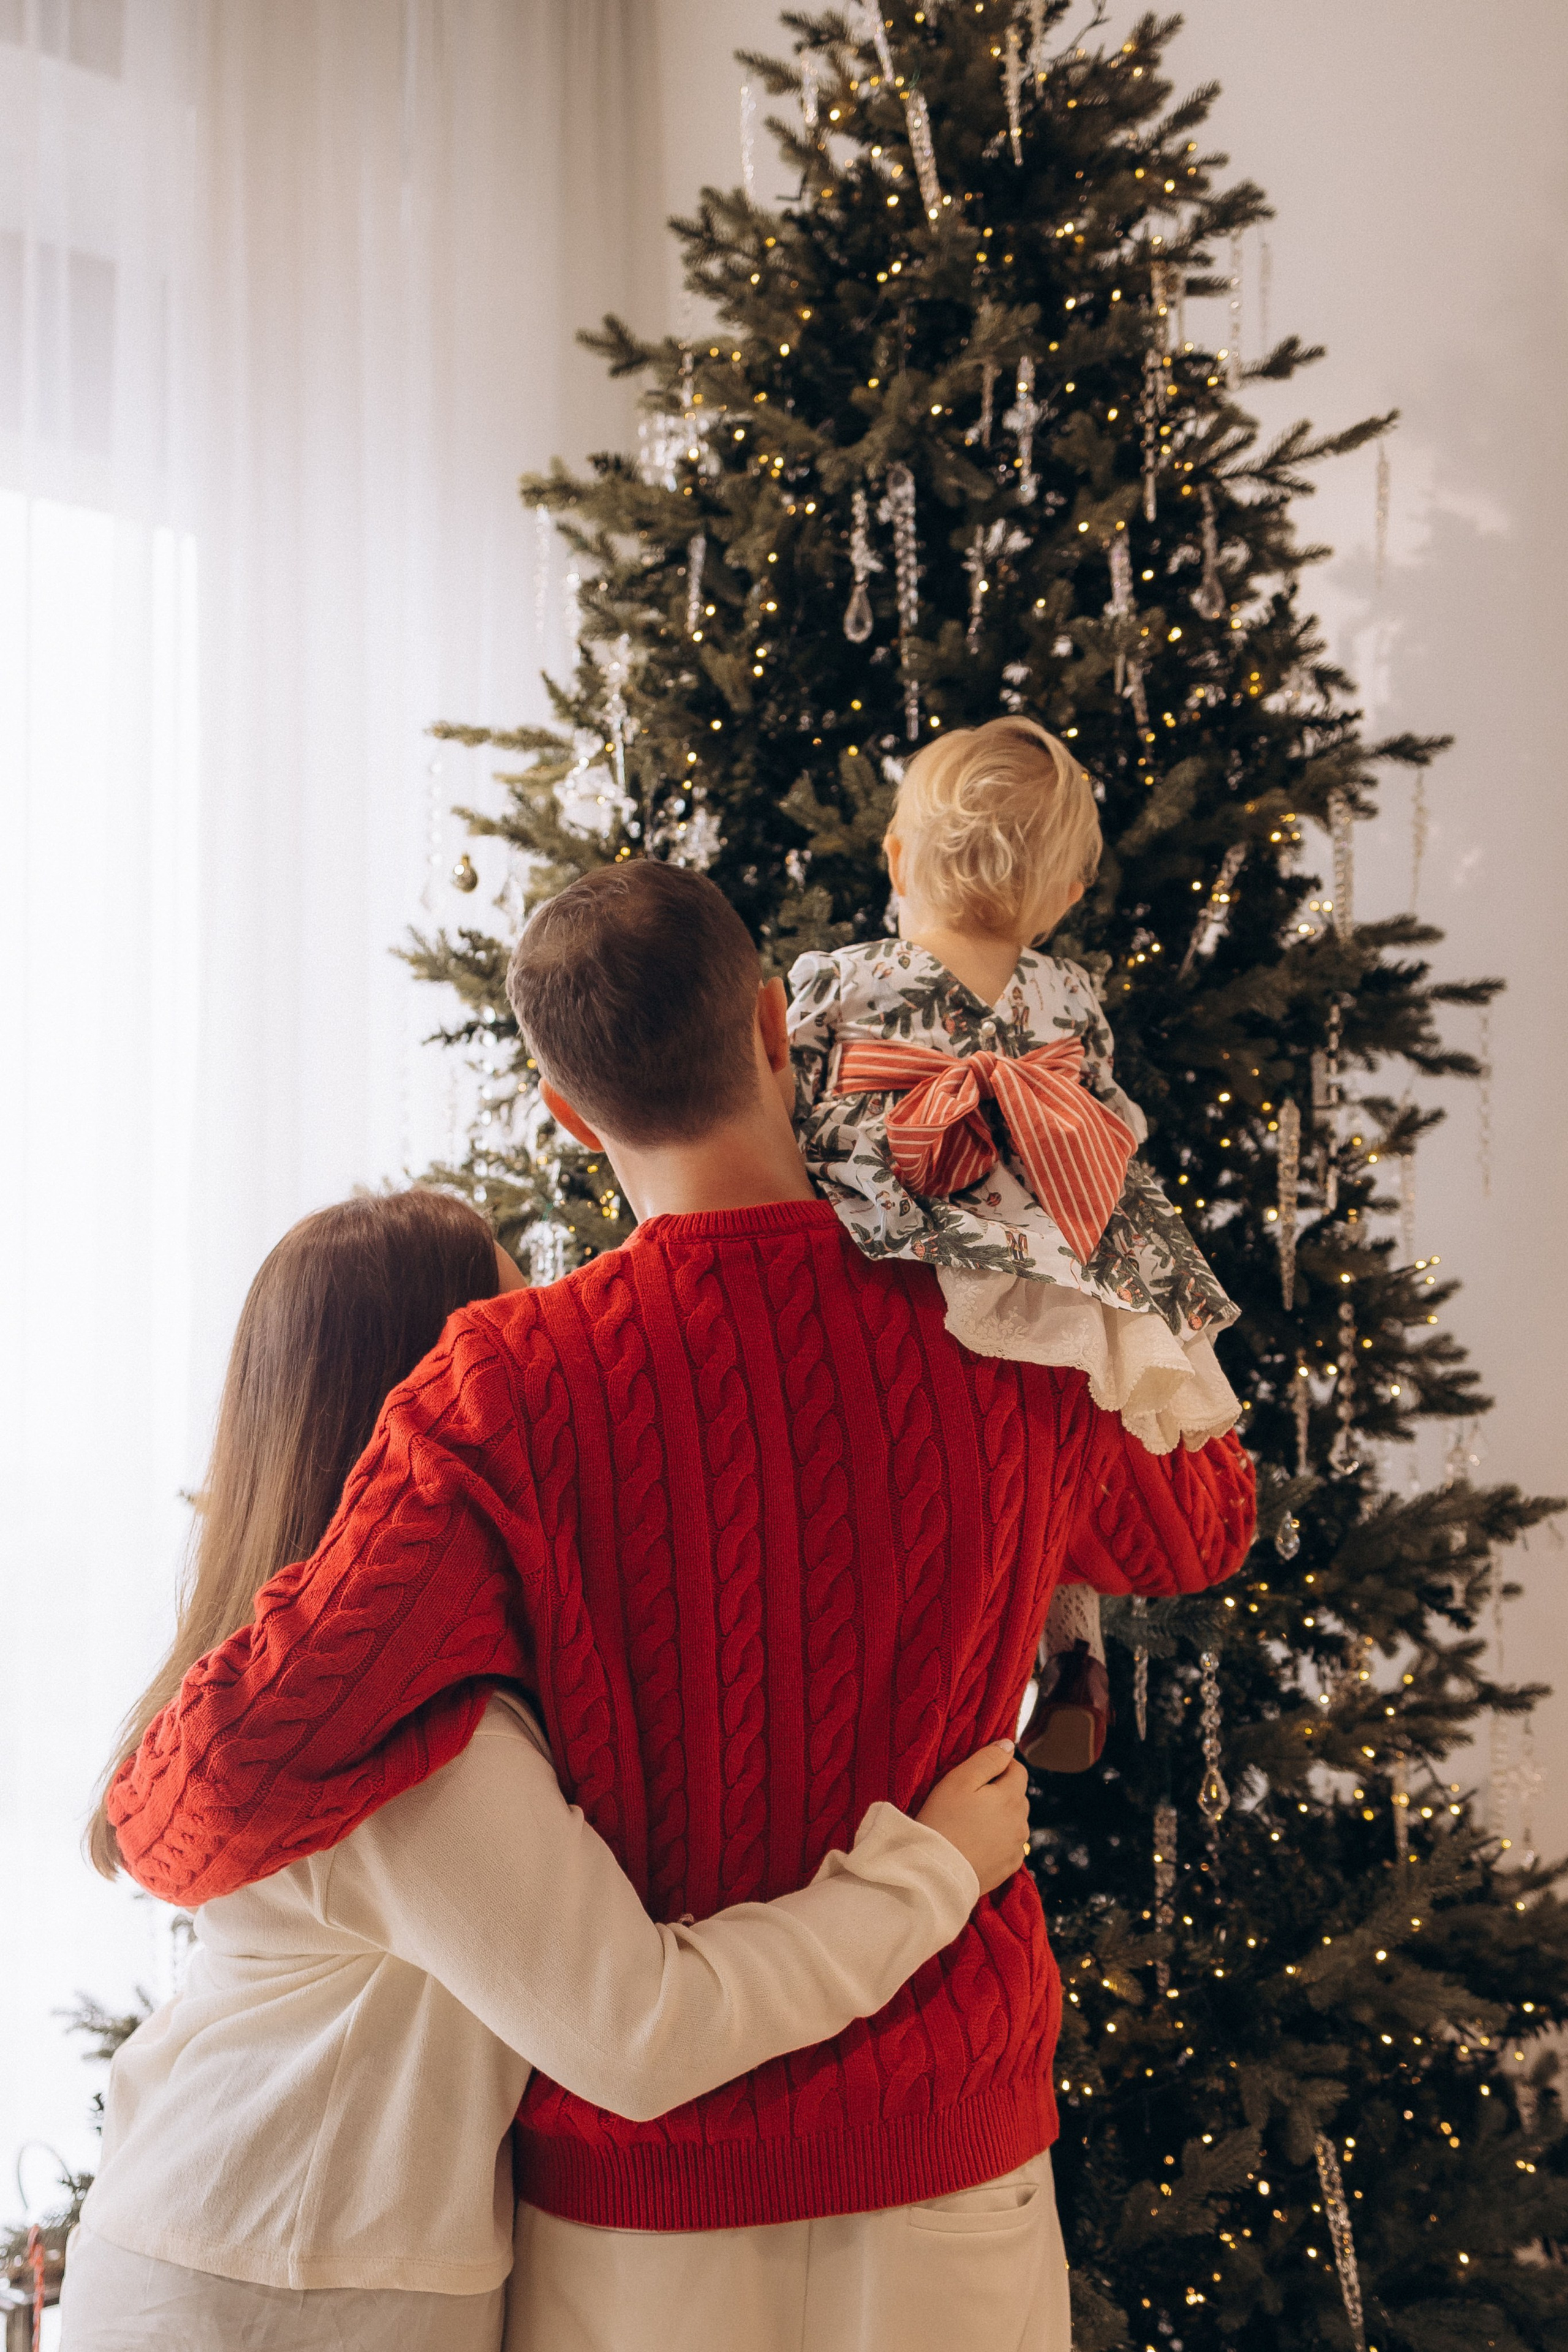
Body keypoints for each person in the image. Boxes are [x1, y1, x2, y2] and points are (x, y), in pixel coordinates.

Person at [107, 863, 1257, 2352]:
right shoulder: (996, 1331)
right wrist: (1059, 1222)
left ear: (566, 1116)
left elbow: (201, 1796)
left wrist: (156, 1820)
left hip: (634, 2215)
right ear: (778, 1029)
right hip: (945, 2146)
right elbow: (1199, 1524)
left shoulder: (498, 1390)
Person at [61, 1190, 1031, 2352]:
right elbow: (644, 2034)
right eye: (518, 1344)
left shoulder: (298, 1675)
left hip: (246, 2246)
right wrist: (928, 1872)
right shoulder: (410, 1742)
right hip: (286, 2288)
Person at [788, 716, 1242, 1768]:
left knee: (922, 1484)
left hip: (904, 1256)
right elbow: (1115, 1130)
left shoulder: (846, 981)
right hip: (1064, 1279)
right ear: (1067, 897)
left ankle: (928, 1687)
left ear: (897, 858)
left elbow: (793, 1109)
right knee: (1048, 1480)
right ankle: (1066, 1658)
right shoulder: (1068, 997)